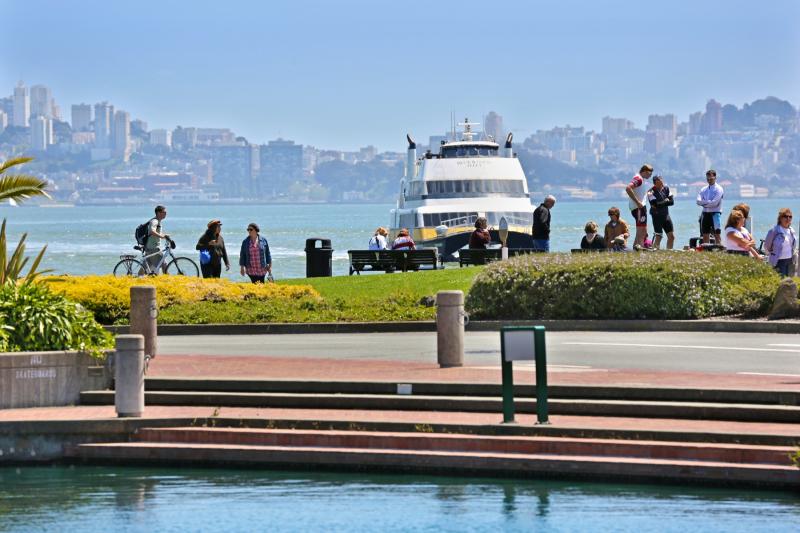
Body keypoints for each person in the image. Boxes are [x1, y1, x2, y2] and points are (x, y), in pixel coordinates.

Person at [626, 164, 653, 248]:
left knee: (642, 230)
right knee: (642, 231)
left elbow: (639, 192)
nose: (650, 176)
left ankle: (636, 248)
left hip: (640, 207)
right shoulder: (639, 179)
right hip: (639, 208)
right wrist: (637, 202)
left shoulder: (641, 179)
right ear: (644, 171)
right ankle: (640, 248)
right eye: (649, 173)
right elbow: (628, 188)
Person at [764, 208, 797, 277]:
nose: (788, 218)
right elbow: (767, 246)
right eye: (785, 216)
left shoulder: (791, 230)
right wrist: (772, 254)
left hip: (790, 261)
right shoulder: (774, 230)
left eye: (790, 217)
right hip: (778, 261)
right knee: (780, 283)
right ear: (780, 218)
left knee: (789, 282)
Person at [647, 175, 675, 249]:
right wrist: (666, 201)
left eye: (662, 181)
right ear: (655, 183)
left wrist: (662, 203)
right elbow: (655, 205)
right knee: (659, 236)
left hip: (666, 215)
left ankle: (669, 252)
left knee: (671, 237)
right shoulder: (650, 192)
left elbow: (672, 202)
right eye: (659, 182)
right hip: (656, 216)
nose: (661, 183)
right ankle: (655, 252)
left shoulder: (666, 188)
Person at [696, 169, 724, 245]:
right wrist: (708, 202)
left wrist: (703, 203)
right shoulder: (703, 189)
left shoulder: (719, 189)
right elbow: (698, 201)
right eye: (708, 179)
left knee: (717, 234)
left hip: (715, 214)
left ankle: (719, 250)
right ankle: (706, 250)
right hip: (705, 214)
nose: (709, 180)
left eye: (711, 179)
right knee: (705, 234)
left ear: (715, 178)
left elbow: (714, 203)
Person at [145, 205, 169, 273]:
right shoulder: (155, 221)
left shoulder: (157, 221)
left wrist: (164, 235)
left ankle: (136, 278)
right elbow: (152, 231)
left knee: (145, 268)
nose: (166, 214)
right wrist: (162, 236)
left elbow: (155, 232)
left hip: (149, 247)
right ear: (158, 213)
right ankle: (167, 282)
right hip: (154, 248)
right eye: (164, 212)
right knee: (165, 265)